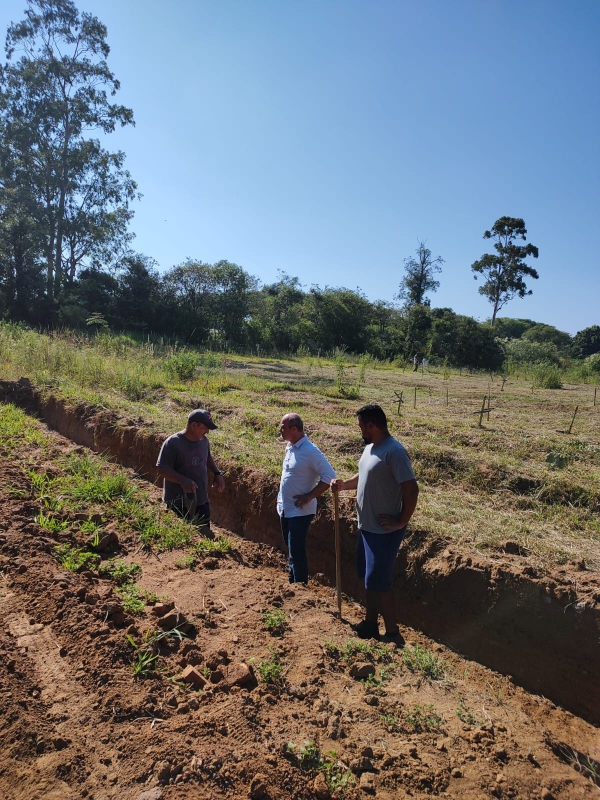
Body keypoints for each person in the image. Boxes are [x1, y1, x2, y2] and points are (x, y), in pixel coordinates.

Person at [331, 404, 419, 643]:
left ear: (372, 425)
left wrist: (401, 521)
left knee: (379, 582)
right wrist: (344, 485)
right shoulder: (371, 448)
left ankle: (393, 634)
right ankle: (371, 624)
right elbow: (364, 475)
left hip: (384, 531)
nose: (359, 430)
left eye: (361, 426)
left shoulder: (395, 452)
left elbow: (411, 489)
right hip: (367, 527)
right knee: (371, 580)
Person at [277, 413, 336, 584]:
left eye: (283, 427)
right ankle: (292, 582)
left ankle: (299, 586)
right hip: (285, 508)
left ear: (294, 429)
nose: (280, 430)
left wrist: (309, 496)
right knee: (291, 549)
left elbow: (329, 476)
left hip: (300, 511)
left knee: (296, 550)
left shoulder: (310, 451)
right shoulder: (290, 446)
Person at [156, 409, 225, 534]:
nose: (207, 431)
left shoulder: (204, 441)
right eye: (205, 428)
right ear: (194, 425)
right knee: (183, 536)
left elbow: (207, 457)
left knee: (204, 536)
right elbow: (162, 469)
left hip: (201, 499)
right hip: (178, 502)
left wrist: (217, 473)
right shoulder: (173, 443)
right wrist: (182, 480)